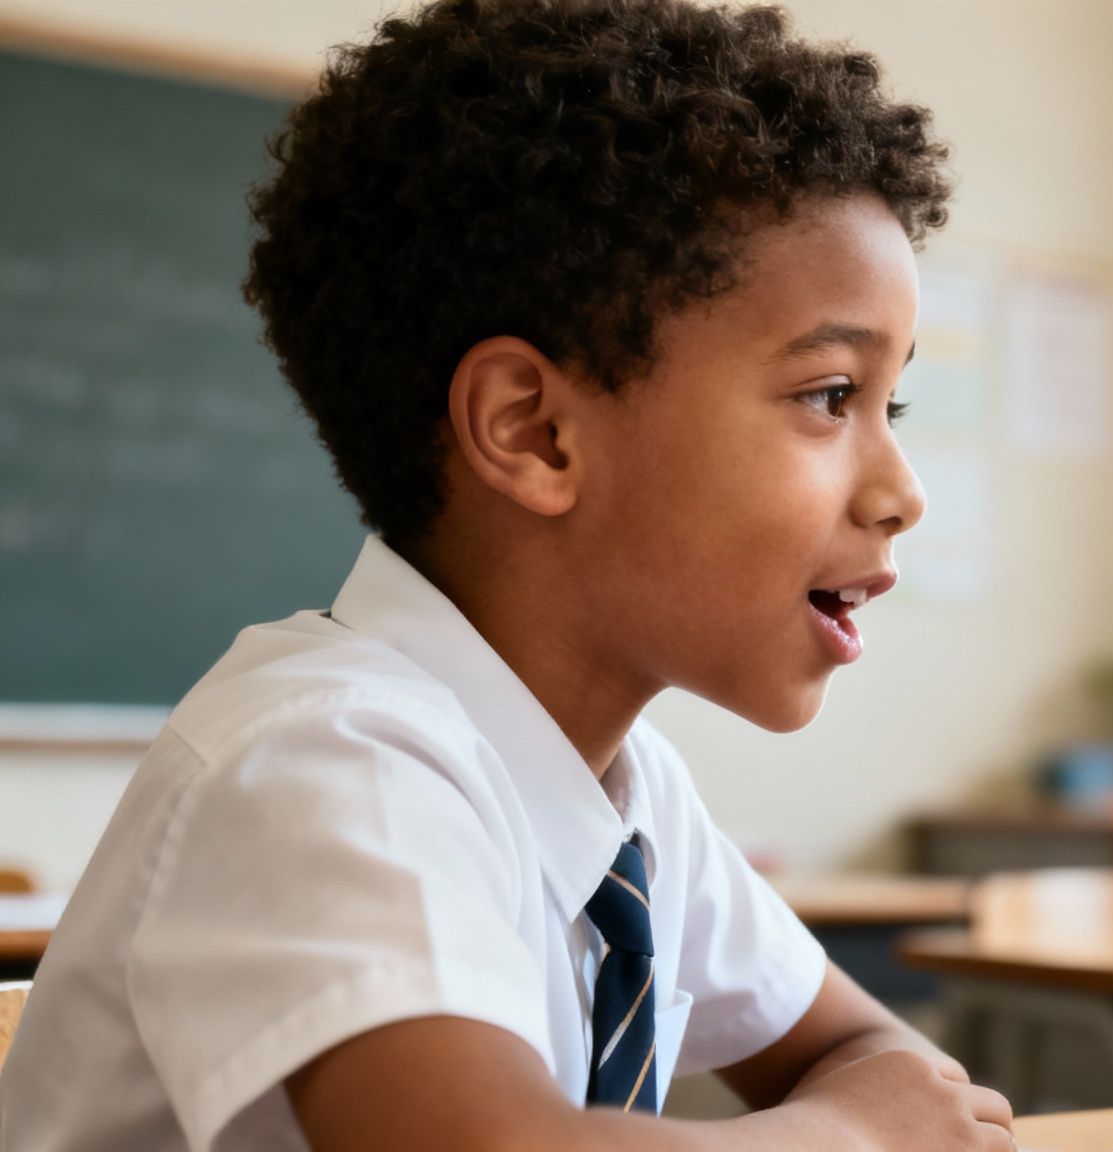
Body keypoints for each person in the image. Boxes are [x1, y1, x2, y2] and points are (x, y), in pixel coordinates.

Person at [0, 3, 1013, 1150]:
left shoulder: (627, 802)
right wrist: (848, 1138)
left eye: (897, 403)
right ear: (533, 434)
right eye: (830, 396)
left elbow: (879, 1061)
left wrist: (868, 1109)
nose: (902, 490)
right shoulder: (326, 758)